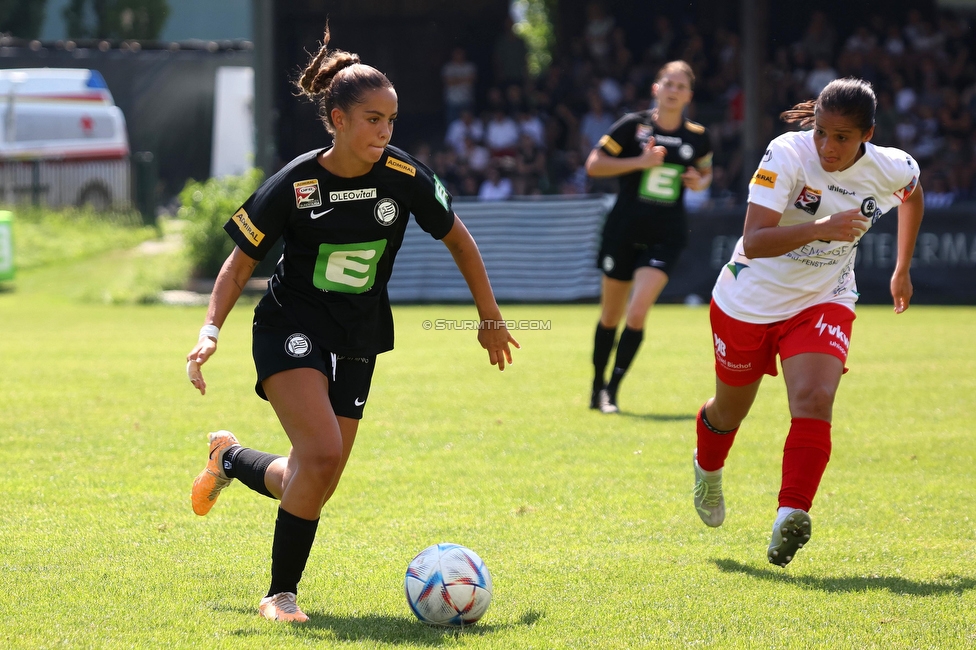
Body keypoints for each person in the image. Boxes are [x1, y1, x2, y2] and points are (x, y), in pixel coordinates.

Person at [185, 26, 519, 622]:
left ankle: (230, 459)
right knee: (320, 452)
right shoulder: (295, 183)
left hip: (360, 334)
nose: (385, 132)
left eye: (391, 120)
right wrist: (210, 331)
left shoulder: (405, 177)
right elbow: (239, 266)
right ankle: (279, 595)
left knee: (318, 472)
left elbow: (460, 242)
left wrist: (489, 319)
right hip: (291, 322)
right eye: (372, 120)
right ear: (337, 119)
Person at [691, 78, 924, 568]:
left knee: (815, 399)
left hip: (824, 298)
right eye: (821, 132)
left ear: (868, 134)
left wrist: (902, 268)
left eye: (842, 137)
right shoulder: (786, 153)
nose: (828, 146)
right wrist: (821, 228)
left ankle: (790, 513)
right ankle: (707, 471)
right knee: (729, 413)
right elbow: (754, 240)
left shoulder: (892, 166)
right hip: (748, 301)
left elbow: (913, 194)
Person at [584, 60, 712, 413]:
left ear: (688, 94)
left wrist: (699, 182)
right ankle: (596, 387)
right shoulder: (632, 126)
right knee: (610, 315)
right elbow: (594, 165)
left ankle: (612, 390)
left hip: (665, 235)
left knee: (637, 312)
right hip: (622, 230)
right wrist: (638, 163)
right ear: (656, 88)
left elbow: (705, 173)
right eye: (667, 83)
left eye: (680, 85)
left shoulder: (697, 136)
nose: (673, 90)